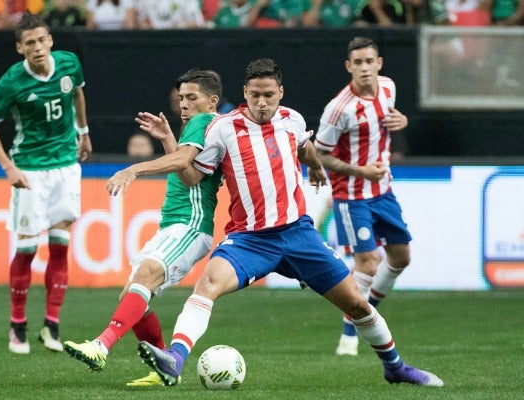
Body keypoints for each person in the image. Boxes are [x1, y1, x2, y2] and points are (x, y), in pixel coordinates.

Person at [136, 58, 443, 388]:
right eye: (255, 95)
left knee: (357, 303)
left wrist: (315, 167)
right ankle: (176, 359)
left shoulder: (291, 119)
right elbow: (194, 175)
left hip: (298, 235)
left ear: (280, 92)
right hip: (250, 239)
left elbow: (304, 145)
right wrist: (168, 145)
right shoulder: (222, 128)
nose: (262, 102)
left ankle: (395, 367)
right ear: (245, 93)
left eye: (269, 94)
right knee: (207, 285)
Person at [62, 69, 224, 387]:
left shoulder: (206, 122)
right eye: (181, 99)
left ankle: (101, 345)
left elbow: (182, 167)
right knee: (133, 292)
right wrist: (167, 138)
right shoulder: (201, 126)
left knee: (146, 273)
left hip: (190, 223)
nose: (185, 105)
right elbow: (190, 174)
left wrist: (134, 168)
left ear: (212, 100)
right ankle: (165, 365)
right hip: (175, 223)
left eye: (192, 98)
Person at [0, 11, 92, 355]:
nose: (38, 48)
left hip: (66, 166)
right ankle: (17, 325)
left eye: (43, 40)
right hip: (29, 170)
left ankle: (52, 326)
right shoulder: (11, 83)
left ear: (51, 41)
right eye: (30, 43)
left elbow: (77, 94)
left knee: (60, 245)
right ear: (20, 48)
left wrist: (84, 132)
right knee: (27, 249)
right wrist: (7, 167)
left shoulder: (69, 63)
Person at [313, 36, 413, 357]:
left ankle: (367, 310)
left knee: (401, 257)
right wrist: (360, 171)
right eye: (358, 63)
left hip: (383, 189)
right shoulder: (338, 109)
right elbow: (318, 155)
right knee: (368, 263)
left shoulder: (388, 88)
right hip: (352, 194)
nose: (365, 68)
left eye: (370, 61)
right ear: (349, 67)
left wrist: (404, 121)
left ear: (379, 63)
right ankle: (348, 335)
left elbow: (389, 122)